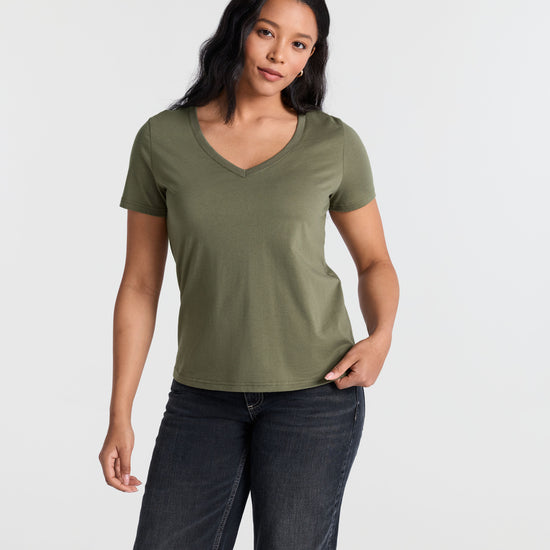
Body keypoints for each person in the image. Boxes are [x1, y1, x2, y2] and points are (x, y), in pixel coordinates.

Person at [99, 0, 399, 548]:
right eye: (266, 32)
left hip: (316, 396)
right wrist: (120, 411)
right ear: (238, 32)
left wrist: (380, 339)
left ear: (311, 57)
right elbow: (140, 284)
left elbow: (375, 262)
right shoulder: (162, 139)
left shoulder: (333, 142)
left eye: (299, 44)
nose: (279, 54)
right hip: (201, 397)